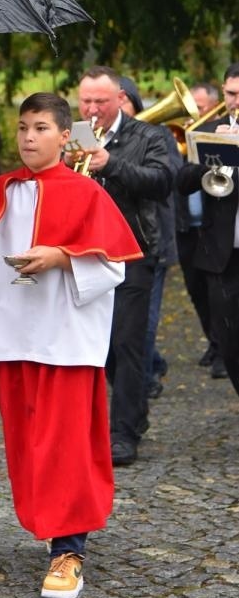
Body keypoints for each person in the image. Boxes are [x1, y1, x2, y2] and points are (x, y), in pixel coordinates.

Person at [0, 94, 141, 598]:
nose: (29, 137)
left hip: (66, 340)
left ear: (63, 136)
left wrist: (61, 257)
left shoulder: (86, 193)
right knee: (30, 443)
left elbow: (114, 267)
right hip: (14, 335)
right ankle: (54, 531)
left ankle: (69, 551)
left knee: (67, 444)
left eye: (42, 128)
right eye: (23, 127)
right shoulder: (2, 190)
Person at [72, 66, 173, 466]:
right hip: (86, 253)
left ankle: (123, 433)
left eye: (101, 101)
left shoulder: (148, 134)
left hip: (134, 250)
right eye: (86, 101)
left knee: (128, 342)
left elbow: (164, 181)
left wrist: (110, 164)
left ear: (119, 99)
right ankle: (125, 416)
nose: (93, 109)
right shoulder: (75, 133)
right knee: (100, 345)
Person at [176, 62, 239, 397]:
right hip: (223, 256)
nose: (235, 102)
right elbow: (182, 183)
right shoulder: (209, 128)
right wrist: (212, 153)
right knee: (229, 344)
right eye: (231, 94)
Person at [118, 76, 181, 400]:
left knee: (143, 327)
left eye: (122, 100)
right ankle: (151, 367)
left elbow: (167, 183)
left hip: (149, 246)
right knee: (123, 333)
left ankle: (141, 387)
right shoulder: (98, 138)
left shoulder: (156, 136)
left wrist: (114, 163)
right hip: (115, 250)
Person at [178, 81, 226, 378]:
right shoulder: (183, 136)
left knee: (218, 292)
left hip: (213, 228)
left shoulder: (222, 132)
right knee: (197, 291)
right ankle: (214, 341)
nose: (195, 114)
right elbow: (179, 181)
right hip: (186, 227)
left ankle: (223, 348)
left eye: (201, 109)